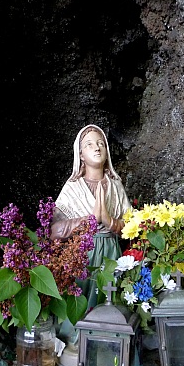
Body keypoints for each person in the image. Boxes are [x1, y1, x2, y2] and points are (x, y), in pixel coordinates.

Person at [51, 125, 131, 351]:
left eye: (101, 144)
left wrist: (109, 221)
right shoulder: (72, 188)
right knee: (80, 297)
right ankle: (75, 343)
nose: (97, 148)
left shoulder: (115, 186)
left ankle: (107, 345)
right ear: (80, 154)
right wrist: (88, 221)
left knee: (110, 298)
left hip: (111, 253)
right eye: (89, 145)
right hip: (82, 254)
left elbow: (132, 227)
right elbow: (55, 230)